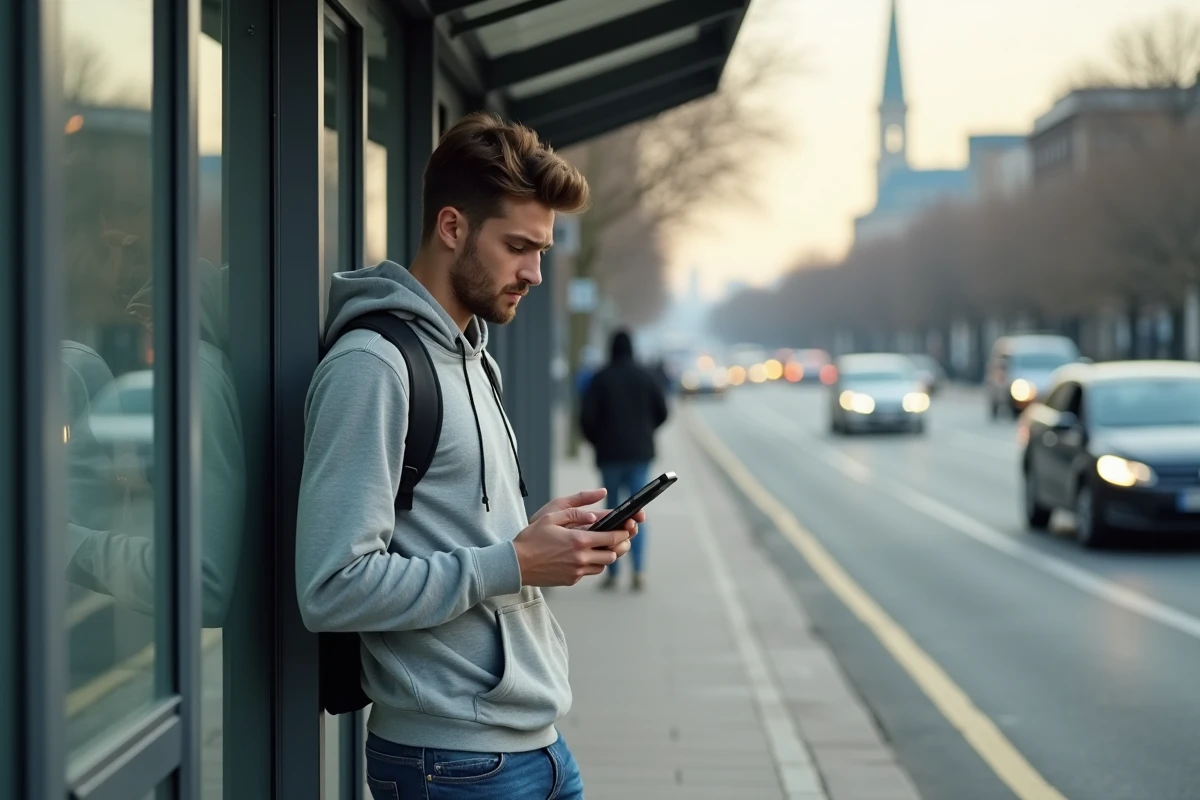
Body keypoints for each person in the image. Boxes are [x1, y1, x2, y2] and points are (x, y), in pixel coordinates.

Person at [295, 112, 642, 800]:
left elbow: (457, 536)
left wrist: (535, 542)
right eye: (519, 247)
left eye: (542, 250)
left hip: (534, 745)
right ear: (452, 228)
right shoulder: (375, 367)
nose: (536, 273)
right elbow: (331, 587)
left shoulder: (475, 361)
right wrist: (510, 562)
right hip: (448, 763)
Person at [580, 329, 669, 591]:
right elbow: (663, 411)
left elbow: (586, 419)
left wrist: (598, 441)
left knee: (611, 514)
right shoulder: (646, 376)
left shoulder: (600, 378)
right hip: (639, 454)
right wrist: (645, 431)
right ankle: (639, 571)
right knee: (638, 513)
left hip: (610, 455)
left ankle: (612, 571)